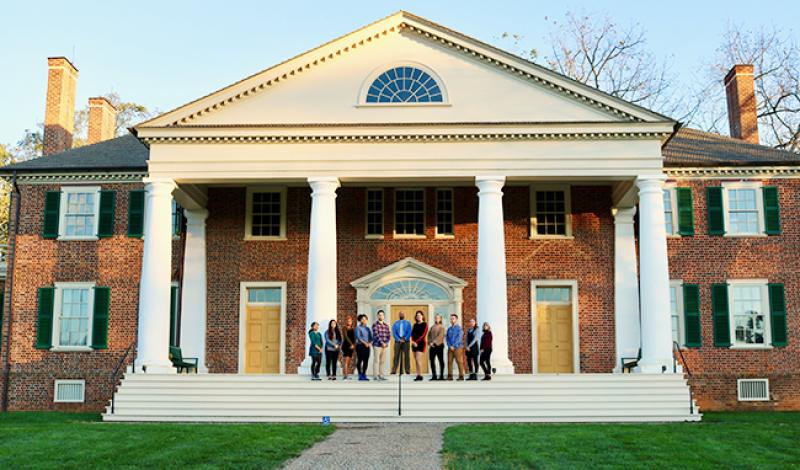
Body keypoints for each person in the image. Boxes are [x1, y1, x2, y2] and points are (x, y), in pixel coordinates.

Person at [410, 310, 429, 381]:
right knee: (416, 360)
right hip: (414, 344)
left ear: (422, 316)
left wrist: (417, 342)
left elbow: (423, 334)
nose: (418, 316)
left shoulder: (425, 324)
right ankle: (418, 375)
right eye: (417, 315)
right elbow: (412, 334)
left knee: (418, 360)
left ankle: (420, 375)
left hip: (421, 344)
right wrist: (413, 341)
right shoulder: (415, 325)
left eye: (420, 315)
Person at [446, 314, 465, 381]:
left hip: (458, 347)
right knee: (449, 362)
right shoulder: (449, 329)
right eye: (451, 318)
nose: (452, 320)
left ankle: (461, 376)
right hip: (450, 348)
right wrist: (449, 345)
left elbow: (459, 338)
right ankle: (450, 376)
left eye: (453, 318)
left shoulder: (459, 329)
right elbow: (447, 338)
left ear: (456, 319)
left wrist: (453, 345)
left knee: (459, 361)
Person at [372, 310, 390, 381]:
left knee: (382, 361)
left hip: (384, 346)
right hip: (377, 345)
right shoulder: (375, 325)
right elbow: (376, 335)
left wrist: (386, 343)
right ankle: (375, 376)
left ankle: (381, 375)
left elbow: (389, 335)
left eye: (382, 315)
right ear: (377, 316)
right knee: (376, 360)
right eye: (379, 315)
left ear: (384, 316)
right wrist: (382, 342)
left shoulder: (386, 326)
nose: (381, 316)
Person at [355, 314, 373, 381]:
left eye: (365, 319)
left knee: (366, 361)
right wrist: (365, 343)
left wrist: (370, 343)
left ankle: (364, 374)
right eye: (362, 319)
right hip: (360, 346)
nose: (364, 320)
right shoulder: (358, 328)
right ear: (360, 320)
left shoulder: (368, 328)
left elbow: (371, 337)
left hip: (367, 346)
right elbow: (358, 337)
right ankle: (360, 375)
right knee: (360, 360)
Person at [427, 314, 445, 381]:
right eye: (436, 318)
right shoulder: (432, 327)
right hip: (432, 346)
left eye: (438, 318)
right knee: (432, 361)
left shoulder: (442, 327)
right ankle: (434, 375)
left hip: (439, 346)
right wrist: (429, 342)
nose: (436, 319)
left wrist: (433, 342)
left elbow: (440, 336)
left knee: (441, 361)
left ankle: (441, 376)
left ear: (440, 319)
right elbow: (428, 335)